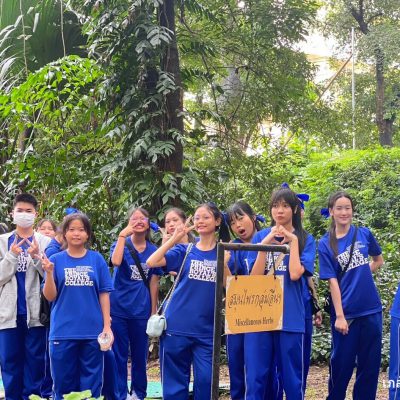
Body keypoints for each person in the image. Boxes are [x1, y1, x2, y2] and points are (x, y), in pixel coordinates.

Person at [146, 202, 231, 400]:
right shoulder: (185, 250)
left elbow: (231, 288)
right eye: (197, 217)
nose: (200, 221)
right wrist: (173, 239)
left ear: (217, 221)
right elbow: (152, 262)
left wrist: (224, 264)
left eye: (206, 217)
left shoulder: (224, 252)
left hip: (207, 331)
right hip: (176, 327)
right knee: (174, 386)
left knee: (207, 383)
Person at [245, 187, 316, 400]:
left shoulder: (305, 239)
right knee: (257, 377)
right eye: (275, 206)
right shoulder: (260, 236)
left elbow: (295, 274)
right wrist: (265, 243)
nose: (280, 210)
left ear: (294, 209)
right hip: (260, 317)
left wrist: (292, 242)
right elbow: (254, 278)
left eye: (285, 206)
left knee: (292, 379)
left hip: (290, 316)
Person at [318, 191, 383, 400]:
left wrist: (361, 273)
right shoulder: (325, 243)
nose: (344, 212)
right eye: (339, 208)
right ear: (331, 212)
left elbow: (378, 260)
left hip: (371, 310)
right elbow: (332, 282)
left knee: (369, 367)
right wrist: (339, 316)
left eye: (347, 208)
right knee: (341, 366)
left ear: (352, 210)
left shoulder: (364, 234)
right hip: (346, 315)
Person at [42, 212, 113, 400]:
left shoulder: (97, 259)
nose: (76, 233)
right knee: (63, 387)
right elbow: (50, 296)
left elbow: (104, 294)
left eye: (81, 230)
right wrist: (48, 273)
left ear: (87, 234)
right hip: (62, 332)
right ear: (64, 233)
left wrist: (107, 327)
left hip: (92, 333)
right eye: (72, 229)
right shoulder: (55, 260)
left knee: (91, 389)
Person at [0, 193, 51, 400]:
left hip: (36, 314)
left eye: (28, 211)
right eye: (20, 210)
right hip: (8, 313)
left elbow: (51, 276)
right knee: (9, 363)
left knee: (35, 363)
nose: (24, 214)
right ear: (12, 213)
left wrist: (36, 257)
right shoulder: (2, 241)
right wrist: (12, 256)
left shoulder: (45, 242)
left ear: (36, 214)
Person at [110, 207, 162, 400]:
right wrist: (122, 236)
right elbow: (116, 262)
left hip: (141, 309)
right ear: (128, 222)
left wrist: (153, 311)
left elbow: (154, 283)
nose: (139, 221)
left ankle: (139, 393)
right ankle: (120, 393)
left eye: (143, 218)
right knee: (119, 354)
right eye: (134, 218)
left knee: (140, 355)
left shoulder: (154, 250)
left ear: (148, 224)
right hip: (118, 309)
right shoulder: (120, 244)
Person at [225, 201, 263, 400]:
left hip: (264, 313)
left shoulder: (268, 240)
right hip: (238, 313)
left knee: (259, 368)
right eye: (232, 222)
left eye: (240, 218)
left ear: (253, 217)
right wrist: (224, 263)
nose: (238, 225)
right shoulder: (232, 248)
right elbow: (227, 283)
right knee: (236, 363)